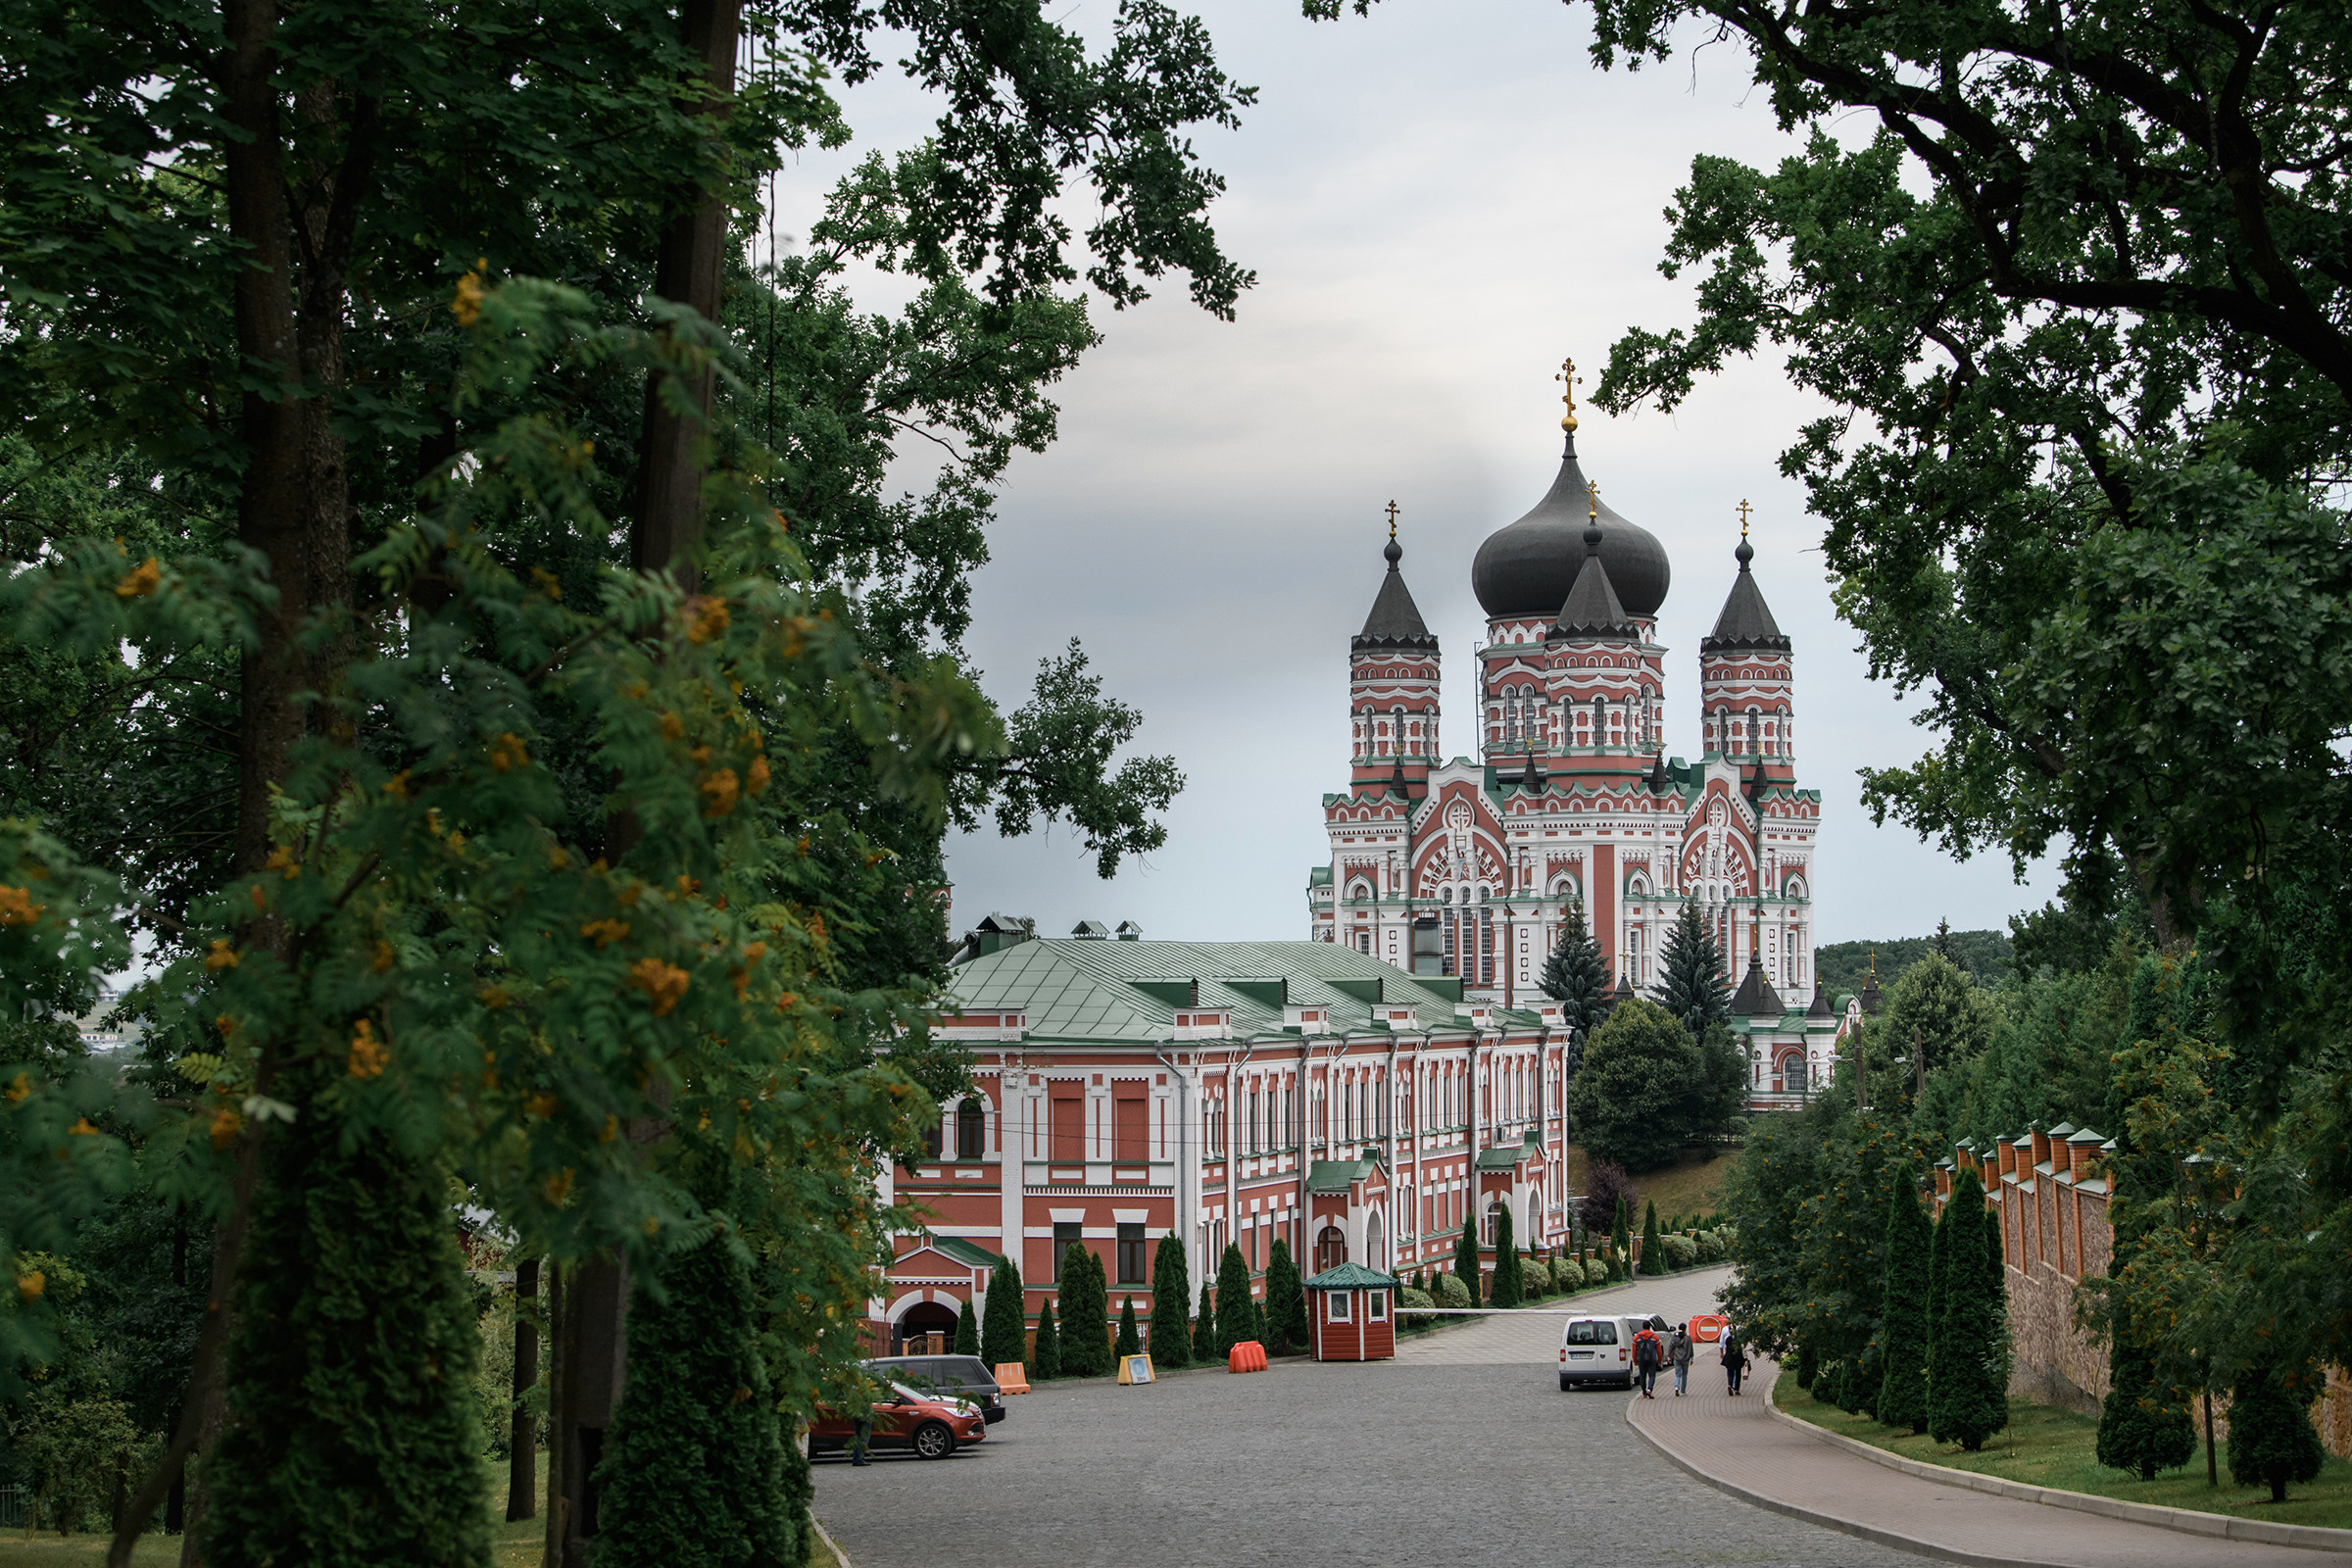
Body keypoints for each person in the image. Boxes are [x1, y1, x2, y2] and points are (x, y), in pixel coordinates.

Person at [1632, 1323, 1664, 1398]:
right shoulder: (1654, 1337)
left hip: (1641, 1359)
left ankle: (1644, 1391)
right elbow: (1659, 1351)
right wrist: (1660, 1360)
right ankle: (1650, 1389)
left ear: (1642, 1327)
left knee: (1642, 1375)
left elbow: (1634, 1350)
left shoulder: (1637, 1337)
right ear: (1650, 1327)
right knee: (1652, 1375)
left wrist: (1635, 1360)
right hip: (1652, 1359)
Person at [1670, 1323, 1694, 1396]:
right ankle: (1683, 1390)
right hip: (1685, 1358)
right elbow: (1690, 1348)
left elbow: (1671, 1346)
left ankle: (1676, 1387)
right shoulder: (1688, 1338)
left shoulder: (1675, 1337)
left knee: (1677, 1374)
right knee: (1684, 1374)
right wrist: (1691, 1357)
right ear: (1685, 1329)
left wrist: (1669, 1356)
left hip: (1677, 1358)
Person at [1721, 1331, 1747, 1396]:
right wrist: (1746, 1358)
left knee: (1730, 1373)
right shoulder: (1739, 1340)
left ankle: (1730, 1384)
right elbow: (1743, 1349)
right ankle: (1736, 1389)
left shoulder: (1728, 1339)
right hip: (1738, 1358)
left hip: (1729, 1358)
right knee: (1738, 1374)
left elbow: (1725, 1347)